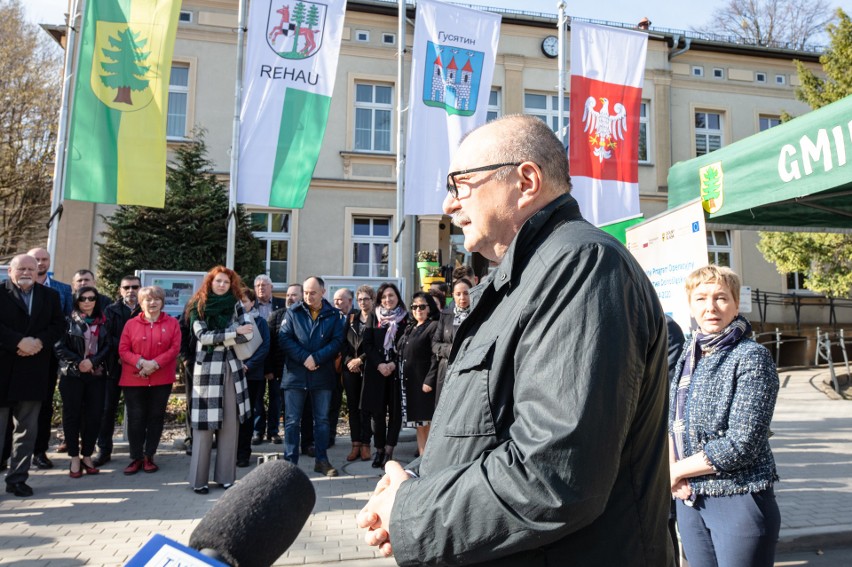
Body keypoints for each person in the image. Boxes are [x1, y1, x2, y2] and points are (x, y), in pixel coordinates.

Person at [357, 114, 672, 565]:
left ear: (525, 181)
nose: (449, 205)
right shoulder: (519, 280)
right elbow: (482, 431)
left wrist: (411, 513)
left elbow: (555, 472)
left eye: (460, 184)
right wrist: (413, 483)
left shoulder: (581, 266)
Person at [670, 265, 780, 567]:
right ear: (691, 306)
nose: (711, 307)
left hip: (738, 496)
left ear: (735, 305)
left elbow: (742, 443)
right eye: (701, 299)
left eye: (721, 298)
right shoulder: (688, 356)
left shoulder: (751, 356)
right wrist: (673, 470)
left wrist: (676, 470)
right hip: (691, 499)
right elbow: (671, 421)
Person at [0, 254, 64, 497]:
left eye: (31, 268)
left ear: (39, 272)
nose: (26, 272)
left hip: (33, 370)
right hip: (4, 369)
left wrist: (37, 342)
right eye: (21, 268)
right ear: (10, 272)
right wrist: (18, 342)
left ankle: (17, 479)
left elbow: (58, 325)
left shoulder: (50, 296)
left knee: (26, 430)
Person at [186, 266, 254, 494]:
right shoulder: (199, 306)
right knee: (204, 427)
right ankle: (199, 480)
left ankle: (226, 477)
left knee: (230, 425)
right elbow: (202, 337)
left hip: (232, 369)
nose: (222, 285)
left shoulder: (236, 303)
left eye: (226, 282)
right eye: (218, 281)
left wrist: (227, 336)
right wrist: (233, 333)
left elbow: (249, 333)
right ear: (210, 282)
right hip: (206, 371)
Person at [279, 276, 344, 477]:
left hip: (322, 375)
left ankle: (321, 460)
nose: (308, 296)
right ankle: (290, 463)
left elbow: (337, 341)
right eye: (306, 292)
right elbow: (284, 338)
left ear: (323, 292)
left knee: (322, 420)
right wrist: (304, 357)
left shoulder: (334, 315)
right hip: (295, 375)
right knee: (291, 421)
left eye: (312, 292)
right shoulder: (293, 312)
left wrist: (316, 358)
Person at [118, 286, 181, 475]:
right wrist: (141, 363)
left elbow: (174, 348)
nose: (152, 303)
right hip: (134, 378)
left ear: (162, 302)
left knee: (155, 417)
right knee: (136, 419)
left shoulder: (172, 323)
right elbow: (123, 349)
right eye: (148, 299)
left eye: (156, 299)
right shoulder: (131, 324)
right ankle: (136, 457)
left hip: (161, 378)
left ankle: (149, 456)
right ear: (140, 302)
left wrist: (154, 363)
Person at [54, 286, 111, 478]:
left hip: (96, 374)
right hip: (72, 375)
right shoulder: (67, 321)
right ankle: (74, 458)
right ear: (76, 301)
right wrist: (80, 362)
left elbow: (108, 346)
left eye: (91, 298)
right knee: (72, 416)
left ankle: (87, 455)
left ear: (96, 300)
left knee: (94, 416)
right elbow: (59, 347)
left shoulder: (103, 321)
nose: (87, 302)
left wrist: (92, 361)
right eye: (83, 298)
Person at [27, 247, 72, 470]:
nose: (40, 263)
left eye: (44, 259)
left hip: (49, 356)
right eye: (36, 259)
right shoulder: (10, 291)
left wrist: (42, 343)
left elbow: (64, 323)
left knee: (44, 405)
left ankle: (39, 451)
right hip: (16, 355)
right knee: (11, 405)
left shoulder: (61, 290)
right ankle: (6, 452)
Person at [95, 275, 142, 467]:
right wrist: (124, 352)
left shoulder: (146, 310)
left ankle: (138, 453)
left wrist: (134, 356)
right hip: (113, 366)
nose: (131, 291)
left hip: (138, 367)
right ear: (120, 290)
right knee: (107, 410)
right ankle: (104, 450)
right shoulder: (110, 310)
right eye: (126, 287)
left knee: (137, 411)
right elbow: (105, 336)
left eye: (135, 287)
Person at [361, 282, 408, 469]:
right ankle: (379, 450)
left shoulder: (406, 318)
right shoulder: (374, 316)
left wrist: (393, 364)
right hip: (376, 372)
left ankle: (389, 450)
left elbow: (407, 345)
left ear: (397, 297)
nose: (388, 300)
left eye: (391, 296)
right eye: (384, 297)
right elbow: (367, 344)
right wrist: (380, 364)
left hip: (396, 372)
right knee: (377, 414)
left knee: (395, 413)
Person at [397, 292, 439, 457]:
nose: (418, 310)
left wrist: (429, 380)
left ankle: (429, 461)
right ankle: (422, 458)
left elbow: (435, 356)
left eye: (422, 306)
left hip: (424, 383)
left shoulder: (433, 326)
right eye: (414, 307)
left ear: (429, 308)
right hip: (410, 382)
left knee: (427, 423)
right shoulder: (411, 327)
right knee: (419, 424)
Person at [237, 288, 271, 467]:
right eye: (239, 301)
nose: (242, 304)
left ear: (252, 303)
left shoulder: (260, 322)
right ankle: (230, 452)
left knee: (248, 415)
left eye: (245, 301)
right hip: (233, 373)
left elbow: (265, 347)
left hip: (252, 374)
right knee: (232, 415)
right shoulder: (232, 321)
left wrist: (248, 365)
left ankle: (243, 453)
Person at [342, 285, 375, 462]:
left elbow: (375, 344)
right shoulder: (351, 318)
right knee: (353, 408)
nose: (363, 302)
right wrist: (349, 361)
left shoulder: (377, 318)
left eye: (366, 299)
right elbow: (343, 343)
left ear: (372, 299)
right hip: (350, 370)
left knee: (365, 408)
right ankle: (355, 444)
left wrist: (360, 360)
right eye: (360, 299)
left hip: (367, 368)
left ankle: (365, 445)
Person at [250, 275, 284, 445]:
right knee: (257, 398)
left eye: (264, 285)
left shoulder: (281, 304)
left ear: (271, 287)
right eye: (258, 285)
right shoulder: (249, 305)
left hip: (276, 359)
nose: (261, 288)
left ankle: (273, 431)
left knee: (275, 397)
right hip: (256, 359)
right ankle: (257, 431)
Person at [431, 277, 472, 406]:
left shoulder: (478, 314)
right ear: (453, 295)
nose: (462, 298)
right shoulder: (446, 315)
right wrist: (450, 349)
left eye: (466, 293)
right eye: (458, 294)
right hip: (447, 369)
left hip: (469, 369)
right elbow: (435, 344)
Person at [329, 288, 354, 447]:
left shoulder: (357, 316)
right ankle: (330, 436)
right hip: (334, 368)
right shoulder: (331, 317)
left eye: (340, 299)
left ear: (350, 301)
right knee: (333, 404)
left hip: (353, 367)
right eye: (335, 299)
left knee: (355, 406)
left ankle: (358, 441)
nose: (336, 302)